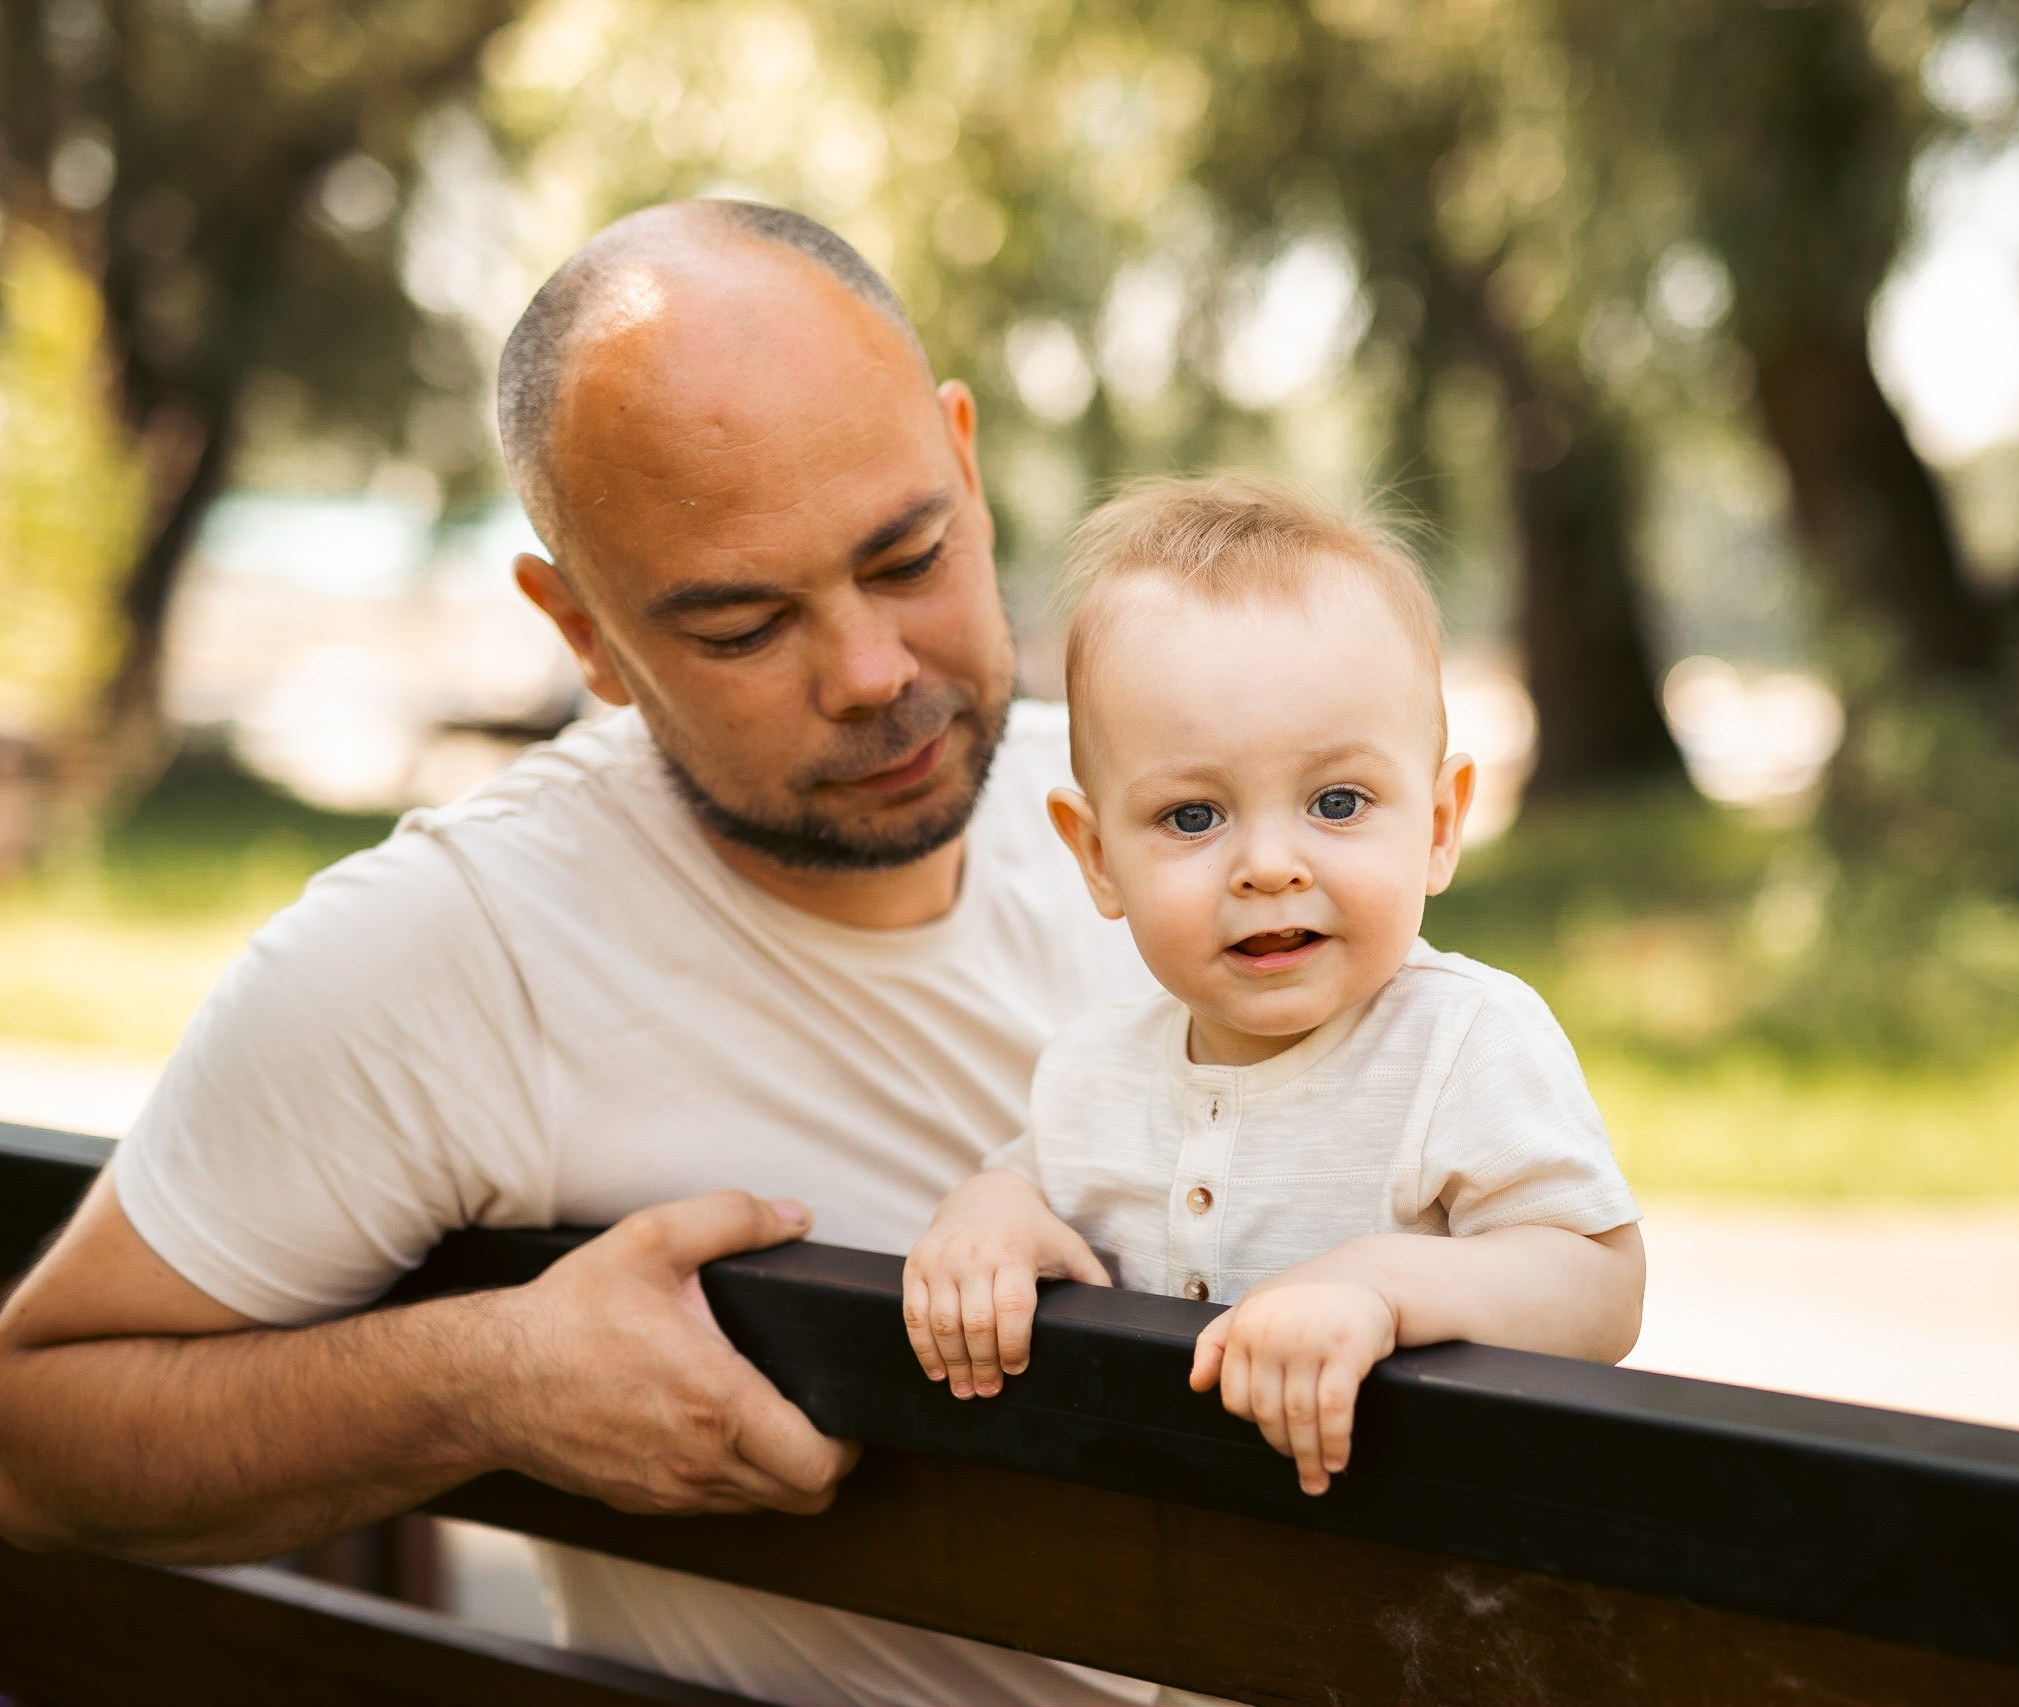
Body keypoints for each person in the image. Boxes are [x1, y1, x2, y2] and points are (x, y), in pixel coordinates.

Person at [0, 200, 1165, 1706]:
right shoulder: (455, 947)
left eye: (909, 553)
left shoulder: (1174, 819)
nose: (874, 672)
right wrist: (487, 1378)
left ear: (968, 462)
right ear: (586, 635)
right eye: (743, 627)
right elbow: (33, 1433)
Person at [901, 476, 1644, 1498]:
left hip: (1426, 1607)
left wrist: (1379, 1289)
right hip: (1182, 1613)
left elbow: (1600, 1288)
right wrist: (989, 1215)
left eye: (1337, 802)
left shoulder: (1461, 1042)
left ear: (1436, 825)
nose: (1268, 865)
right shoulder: (1094, 1070)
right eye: (1193, 817)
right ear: (1097, 857)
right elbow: (1037, 1184)